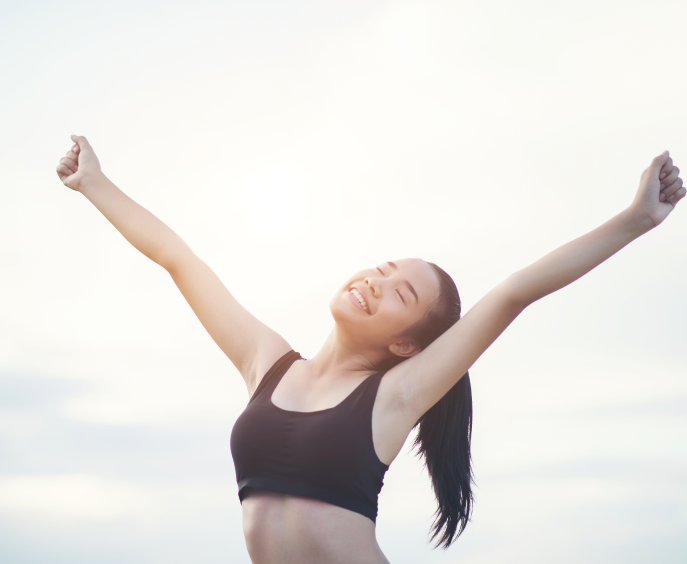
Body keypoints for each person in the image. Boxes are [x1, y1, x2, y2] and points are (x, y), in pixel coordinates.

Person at [56, 135, 684, 564]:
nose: (375, 282)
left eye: (399, 293)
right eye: (381, 269)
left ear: (406, 342)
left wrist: (637, 219)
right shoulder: (266, 363)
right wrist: (96, 183)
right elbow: (179, 260)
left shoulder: (394, 397)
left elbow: (513, 294)